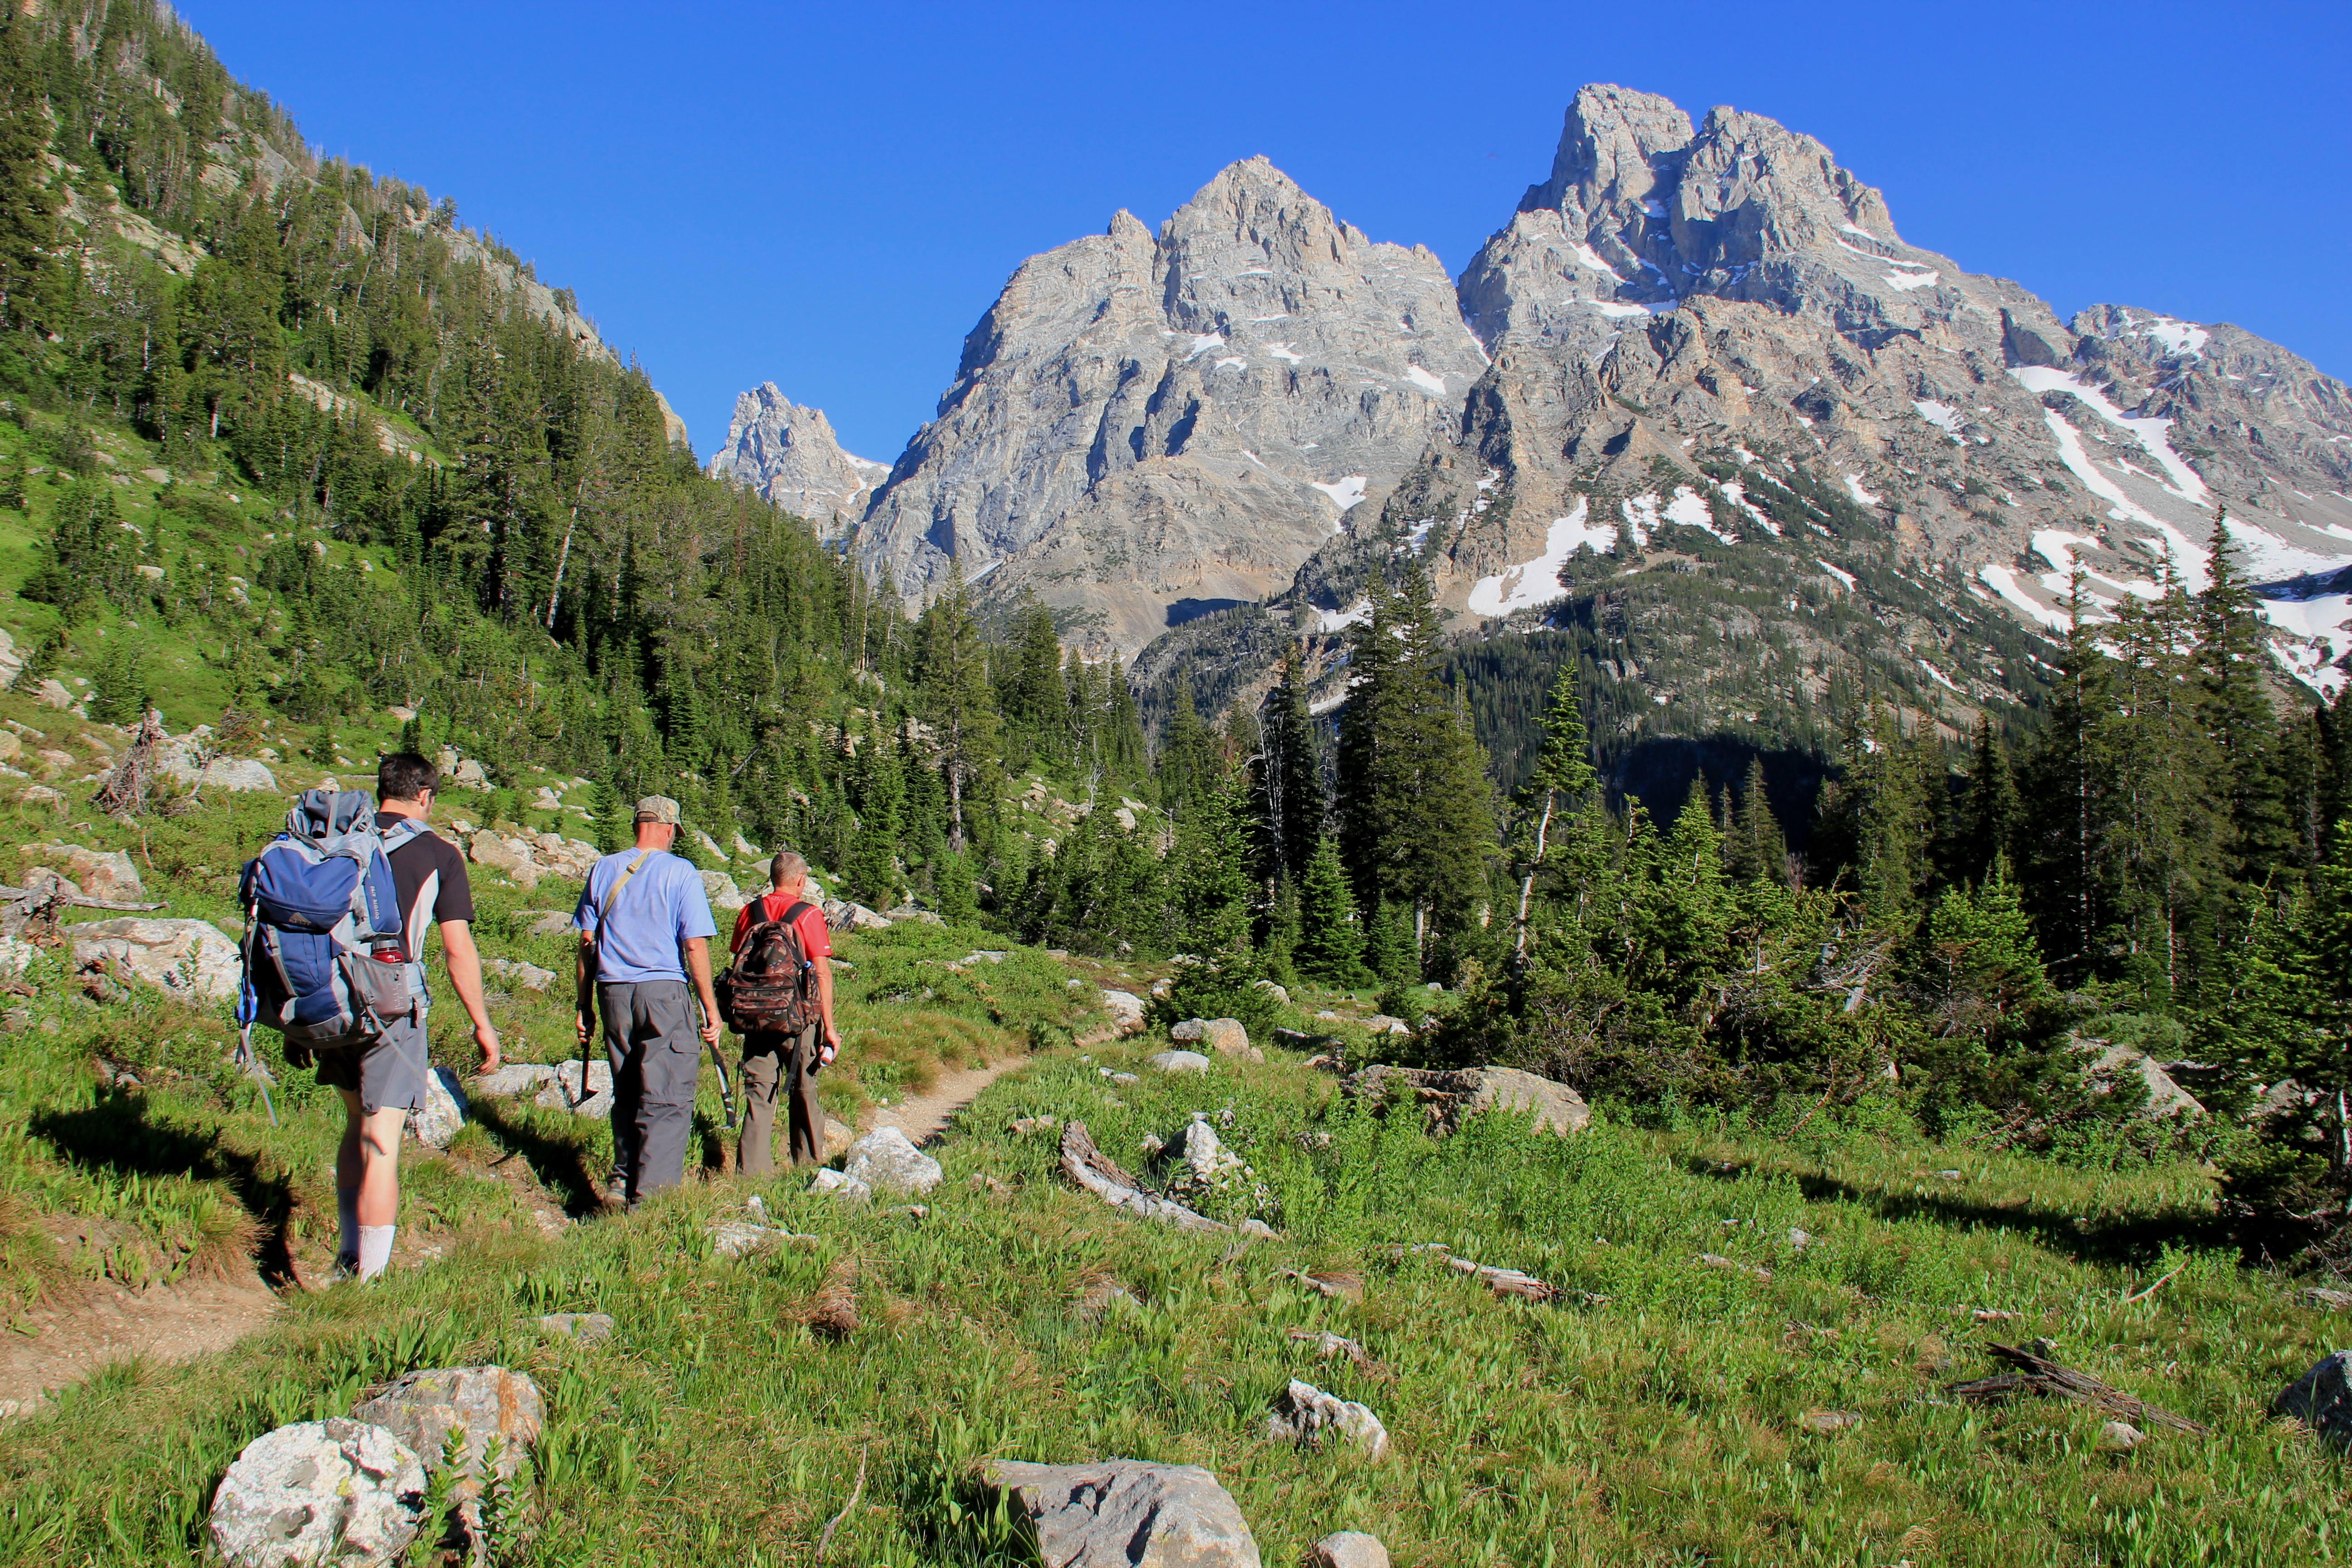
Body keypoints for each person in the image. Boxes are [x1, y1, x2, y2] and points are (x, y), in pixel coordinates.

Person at [329, 753, 501, 1282]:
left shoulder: (339, 840)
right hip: (393, 1003)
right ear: (425, 795)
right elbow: (456, 948)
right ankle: (369, 1277)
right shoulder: (439, 854)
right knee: (383, 1136)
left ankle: (345, 1251)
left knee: (356, 1122)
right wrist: (481, 1023)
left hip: (333, 996)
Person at [573, 795, 721, 1207]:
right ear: (669, 828)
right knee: (668, 1096)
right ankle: (651, 1202)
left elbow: (587, 943)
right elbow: (693, 945)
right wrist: (710, 1007)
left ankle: (622, 1180)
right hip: (663, 993)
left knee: (627, 1088)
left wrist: (583, 1006)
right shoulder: (681, 872)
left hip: (611, 993)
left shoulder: (603, 869)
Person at [731, 851, 842, 1174]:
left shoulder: (748, 912)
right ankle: (808, 1165)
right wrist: (829, 1028)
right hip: (796, 1017)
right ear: (801, 880)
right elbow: (821, 973)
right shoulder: (807, 914)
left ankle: (751, 1174)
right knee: (804, 1087)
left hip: (754, 1017)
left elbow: (740, 963)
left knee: (758, 1091)